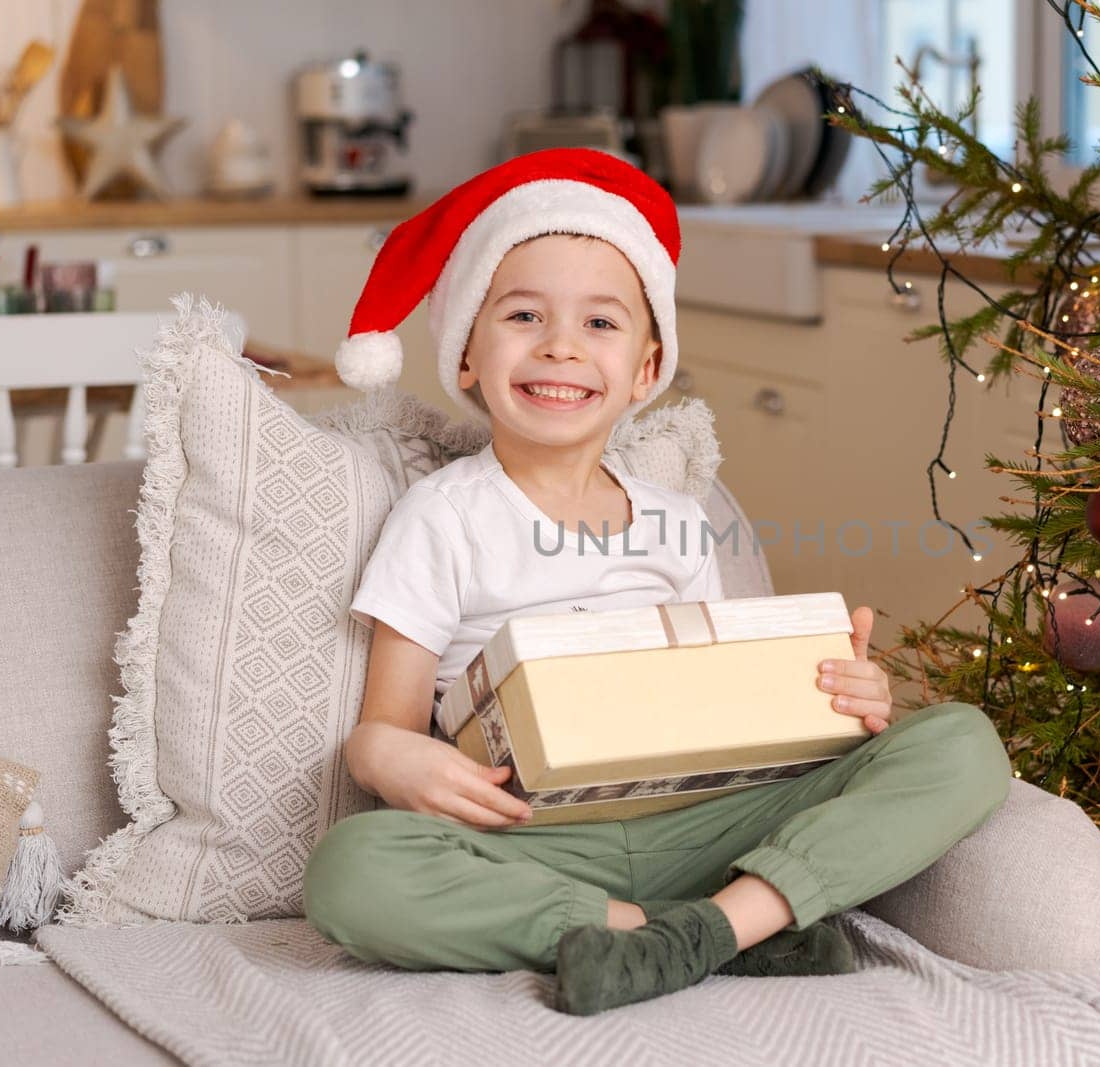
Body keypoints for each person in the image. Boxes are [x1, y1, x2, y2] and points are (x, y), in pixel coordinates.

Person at [301, 147, 1012, 1016]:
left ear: (645, 371)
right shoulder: (440, 519)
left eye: (601, 324)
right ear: (465, 358)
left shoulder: (679, 519)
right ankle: (677, 929)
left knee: (961, 742)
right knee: (353, 870)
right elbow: (381, 735)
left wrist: (836, 696)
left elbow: (724, 712)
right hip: (537, 839)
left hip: (699, 825)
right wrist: (402, 762)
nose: (560, 344)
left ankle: (717, 922)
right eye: (524, 314)